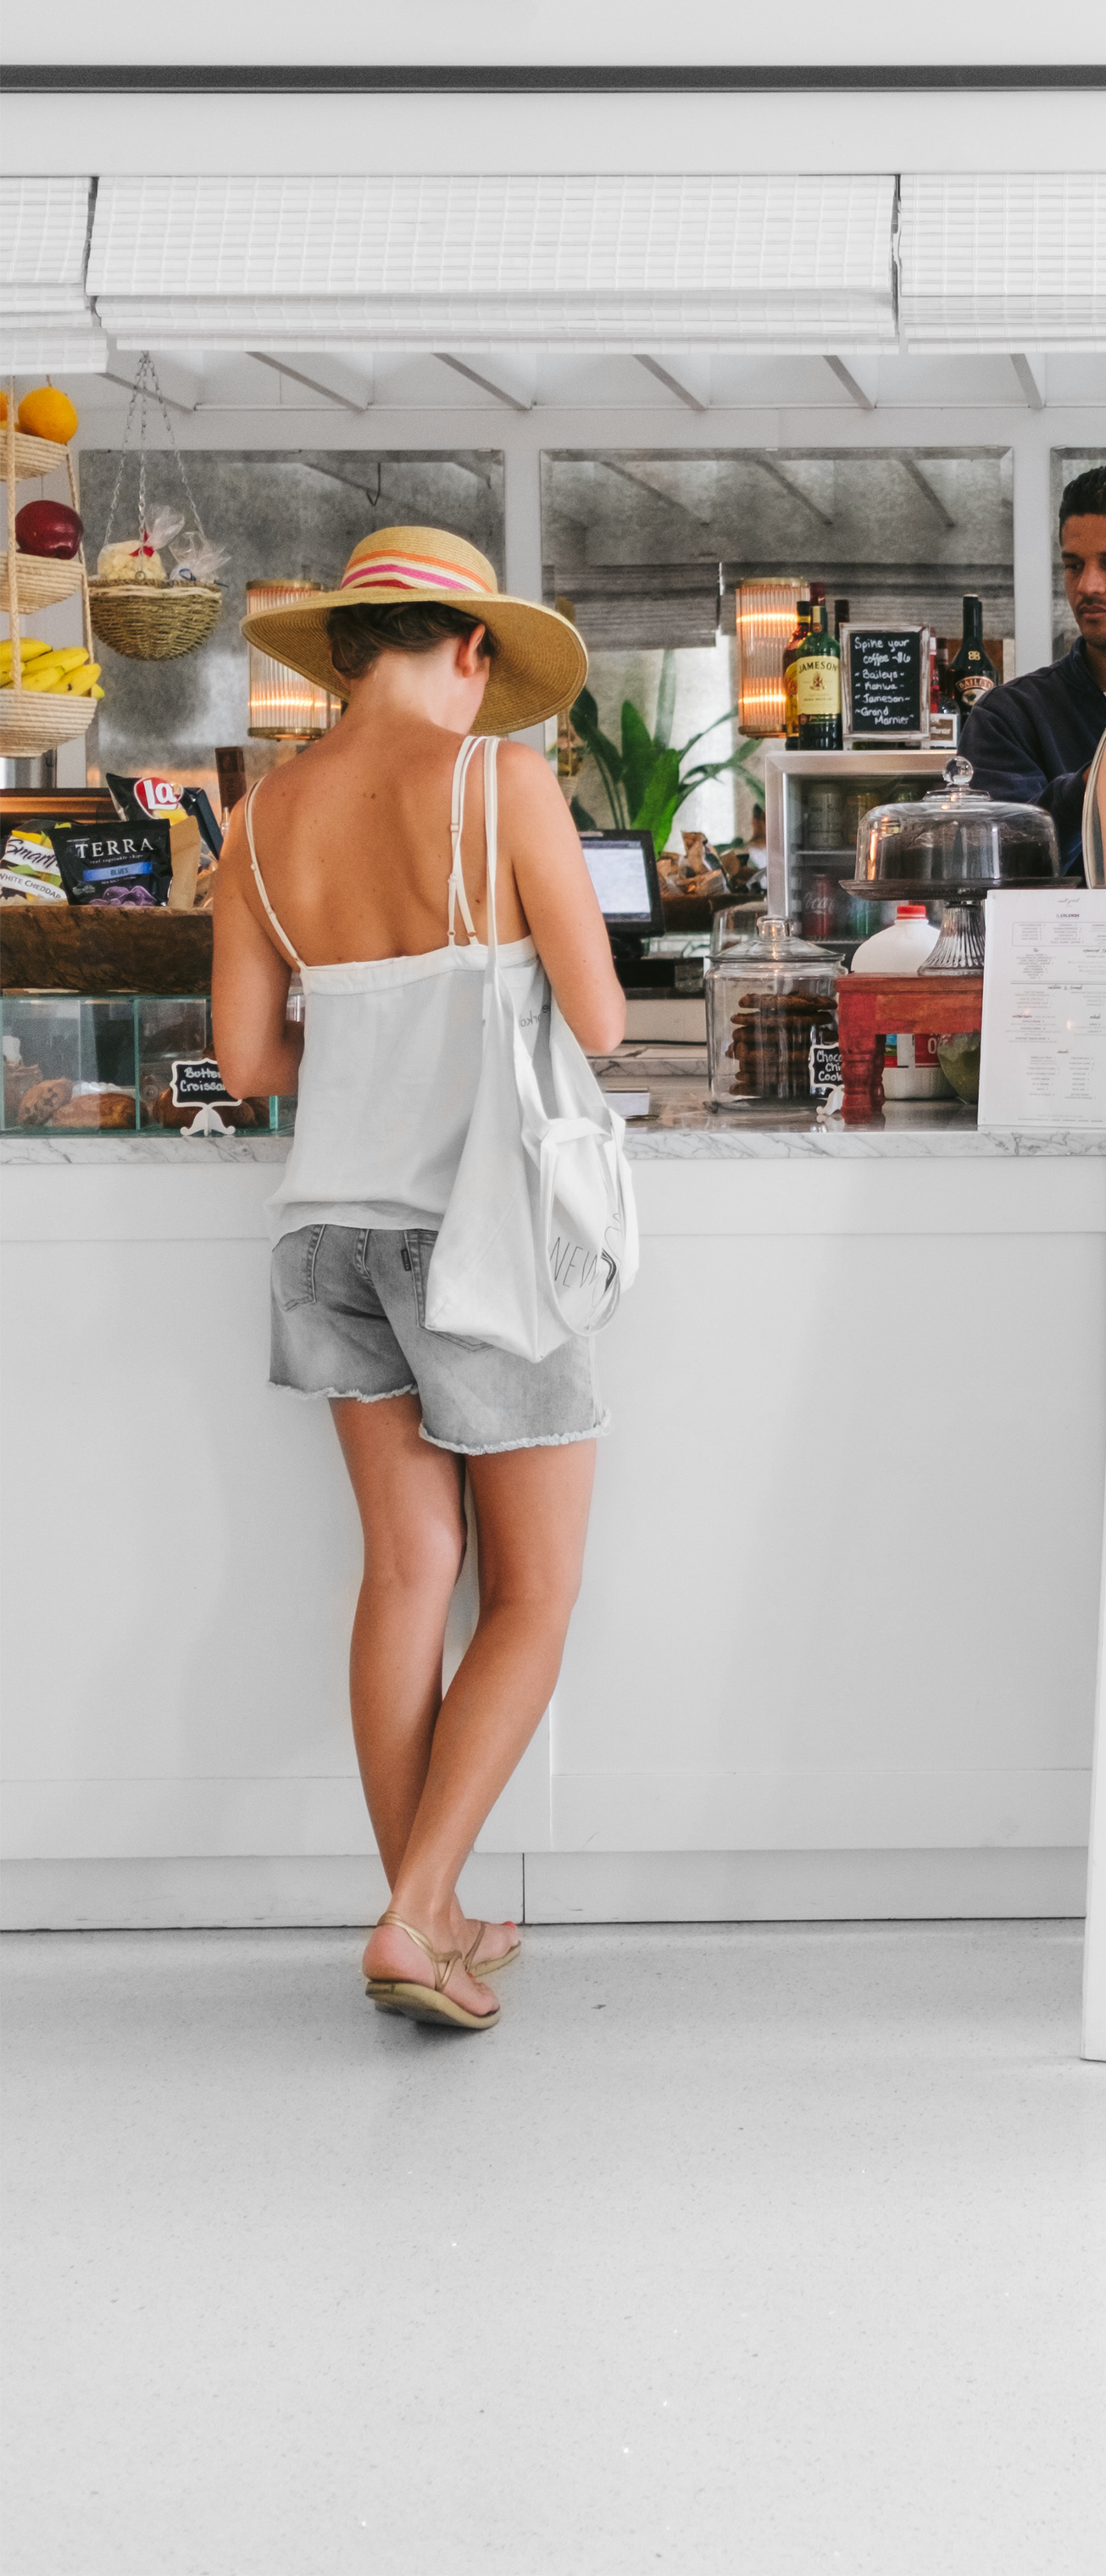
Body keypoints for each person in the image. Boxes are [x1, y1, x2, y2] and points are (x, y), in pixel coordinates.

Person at [213, 527, 627, 2035]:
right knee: (534, 1589)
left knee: (407, 1574)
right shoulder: (499, 783)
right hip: (481, 1239)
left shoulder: (259, 825)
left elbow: (256, 1063)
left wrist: (374, 1034)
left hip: (324, 1233)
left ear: (339, 653)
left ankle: (431, 1914)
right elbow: (601, 1016)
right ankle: (410, 1915)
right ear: (470, 655)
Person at [959, 461, 1106, 867]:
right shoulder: (1009, 717)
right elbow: (998, 863)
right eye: (1074, 566)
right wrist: (1102, 779)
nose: (1087, 585)